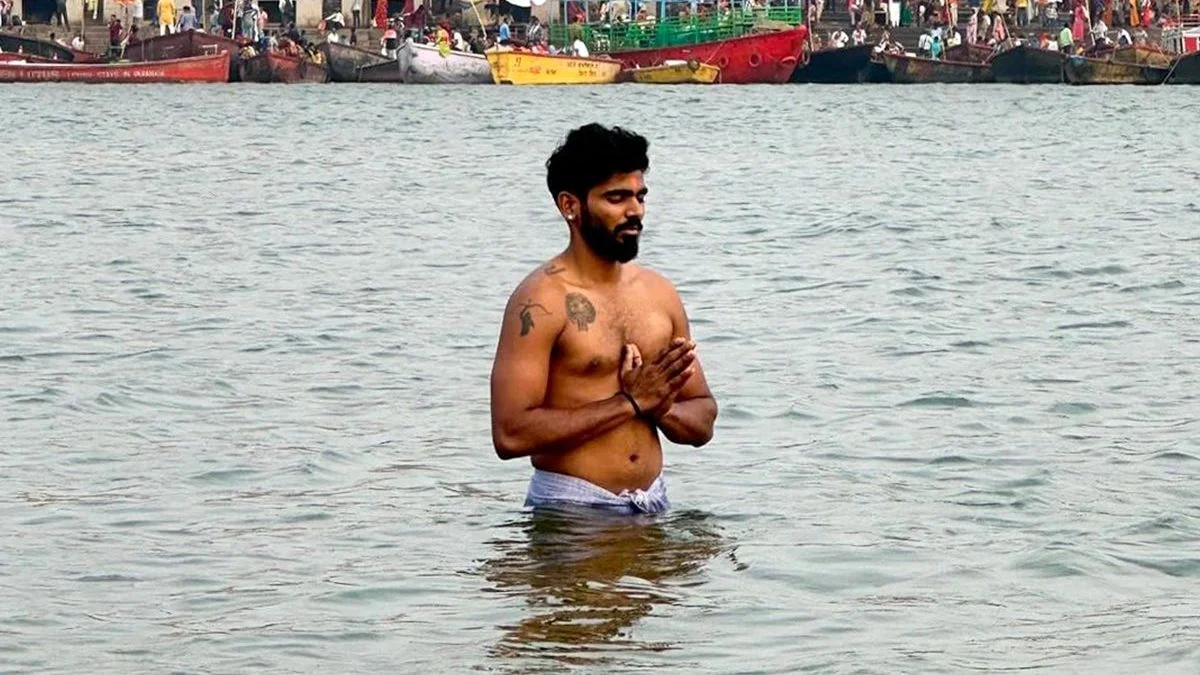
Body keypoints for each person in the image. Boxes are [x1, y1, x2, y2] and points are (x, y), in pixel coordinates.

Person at [490, 124, 718, 515]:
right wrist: (629, 403)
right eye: (616, 198)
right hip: (572, 510)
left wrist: (659, 408)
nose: (635, 211)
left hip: (653, 504)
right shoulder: (540, 301)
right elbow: (510, 435)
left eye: (640, 197)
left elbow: (703, 419)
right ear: (570, 205)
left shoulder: (659, 294)